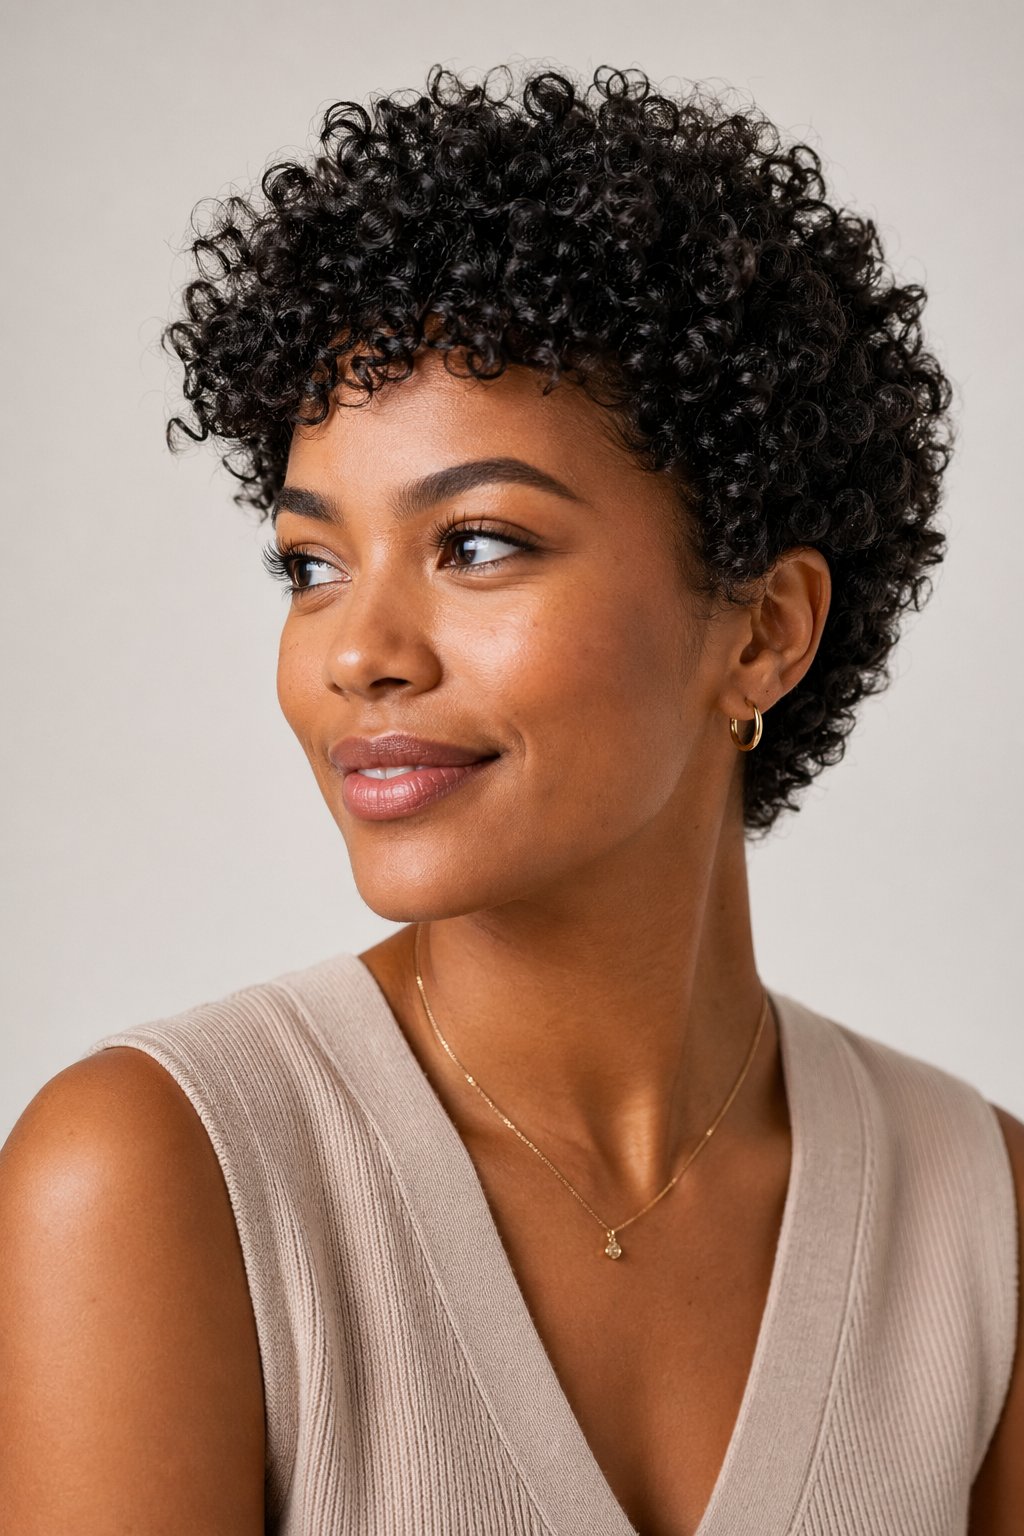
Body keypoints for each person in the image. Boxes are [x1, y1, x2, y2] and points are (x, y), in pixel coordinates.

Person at [0, 61, 1019, 1535]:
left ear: (763, 631)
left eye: (477, 544)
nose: (358, 652)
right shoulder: (160, 1183)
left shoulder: (983, 1219)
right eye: (311, 564)